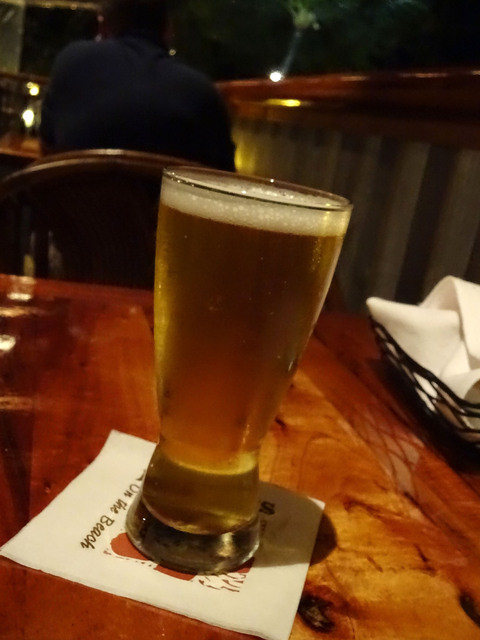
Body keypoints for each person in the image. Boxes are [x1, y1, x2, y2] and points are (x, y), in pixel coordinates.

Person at [39, 0, 236, 171]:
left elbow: (47, 154)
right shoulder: (201, 94)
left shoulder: (71, 63)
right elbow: (223, 183)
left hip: (74, 203)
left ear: (103, 24)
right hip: (162, 205)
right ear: (168, 30)